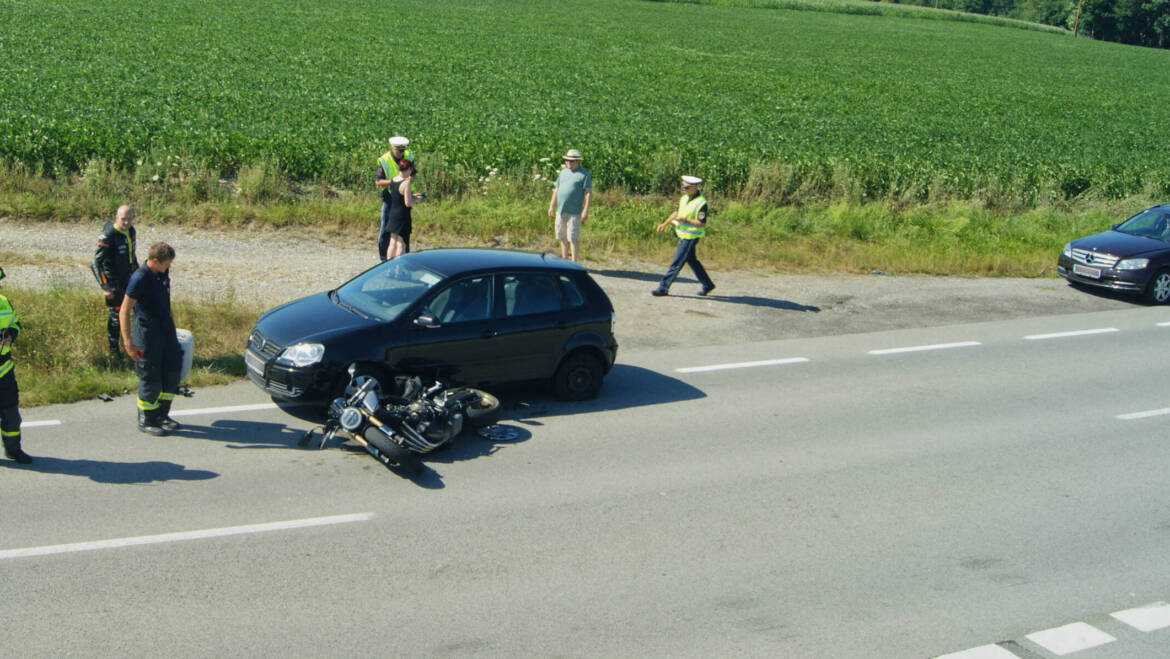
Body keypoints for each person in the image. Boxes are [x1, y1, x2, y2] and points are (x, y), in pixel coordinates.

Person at [120, 243, 183, 436]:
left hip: (166, 329)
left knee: (171, 371)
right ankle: (147, 418)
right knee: (150, 376)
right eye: (167, 264)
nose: (169, 267)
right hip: (147, 332)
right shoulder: (139, 278)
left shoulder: (161, 274)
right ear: (155, 261)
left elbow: (165, 301)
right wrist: (128, 342)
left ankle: (162, 415)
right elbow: (124, 310)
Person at [651, 175, 715, 297]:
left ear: (695, 187)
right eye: (682, 186)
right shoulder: (684, 198)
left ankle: (663, 287)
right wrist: (665, 223)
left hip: (691, 237)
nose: (683, 189)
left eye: (686, 187)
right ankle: (708, 284)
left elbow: (702, 223)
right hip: (683, 235)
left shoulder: (701, 203)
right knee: (692, 261)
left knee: (677, 262)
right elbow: (676, 213)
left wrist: (685, 220)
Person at [93, 205, 139, 358]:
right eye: (123, 219)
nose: (126, 222)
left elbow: (132, 255)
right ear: (116, 217)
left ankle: (136, 346)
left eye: (129, 219)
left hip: (128, 277)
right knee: (116, 315)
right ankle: (114, 352)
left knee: (137, 310)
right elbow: (95, 263)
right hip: (113, 281)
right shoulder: (108, 235)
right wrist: (105, 286)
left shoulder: (131, 231)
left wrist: (139, 275)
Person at [0, 267, 31, 463]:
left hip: (4, 370)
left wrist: (11, 335)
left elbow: (15, 322)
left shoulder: (3, 302)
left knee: (11, 415)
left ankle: (13, 449)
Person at [547, 148, 592, 262]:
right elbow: (556, 189)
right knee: (561, 235)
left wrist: (585, 210)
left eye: (571, 161)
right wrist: (551, 206)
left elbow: (588, 193)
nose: (568, 163)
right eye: (567, 160)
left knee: (572, 237)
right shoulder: (563, 172)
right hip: (561, 210)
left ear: (577, 161)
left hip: (574, 212)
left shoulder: (584, 174)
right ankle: (564, 259)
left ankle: (574, 262)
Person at [376, 136, 417, 260]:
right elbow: (378, 182)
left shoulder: (409, 156)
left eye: (402, 150)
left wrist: (407, 183)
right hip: (390, 197)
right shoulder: (384, 160)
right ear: (391, 148)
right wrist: (395, 182)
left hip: (404, 197)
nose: (400, 153)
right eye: (398, 150)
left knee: (402, 237)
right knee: (387, 231)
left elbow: (414, 174)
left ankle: (404, 258)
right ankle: (384, 259)